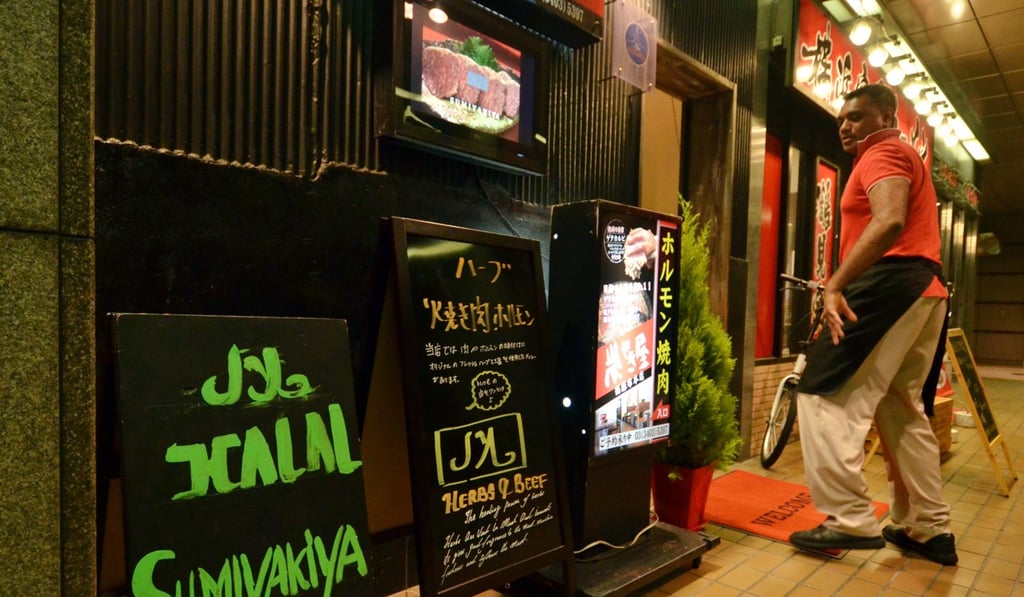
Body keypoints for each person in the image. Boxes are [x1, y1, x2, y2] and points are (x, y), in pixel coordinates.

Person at [788, 83, 957, 566]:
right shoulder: (899, 154)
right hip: (924, 290)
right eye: (842, 119)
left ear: (887, 117)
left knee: (821, 391)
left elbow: (889, 221)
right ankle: (928, 528)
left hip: (891, 284)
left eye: (857, 117)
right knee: (901, 409)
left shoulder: (882, 153)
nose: (845, 125)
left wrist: (834, 285)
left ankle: (848, 518)